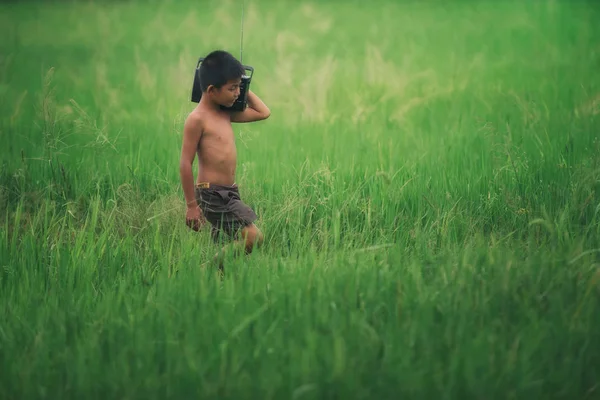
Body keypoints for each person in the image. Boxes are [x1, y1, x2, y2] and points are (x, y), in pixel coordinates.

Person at [179, 50, 270, 271]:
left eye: (240, 87)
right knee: (254, 237)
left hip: (229, 191)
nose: (237, 93)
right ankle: (206, 270)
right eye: (232, 88)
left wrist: (242, 85)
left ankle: (216, 278)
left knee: (223, 241)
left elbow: (263, 112)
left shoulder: (226, 112)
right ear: (211, 90)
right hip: (212, 193)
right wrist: (191, 205)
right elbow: (184, 163)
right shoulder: (197, 119)